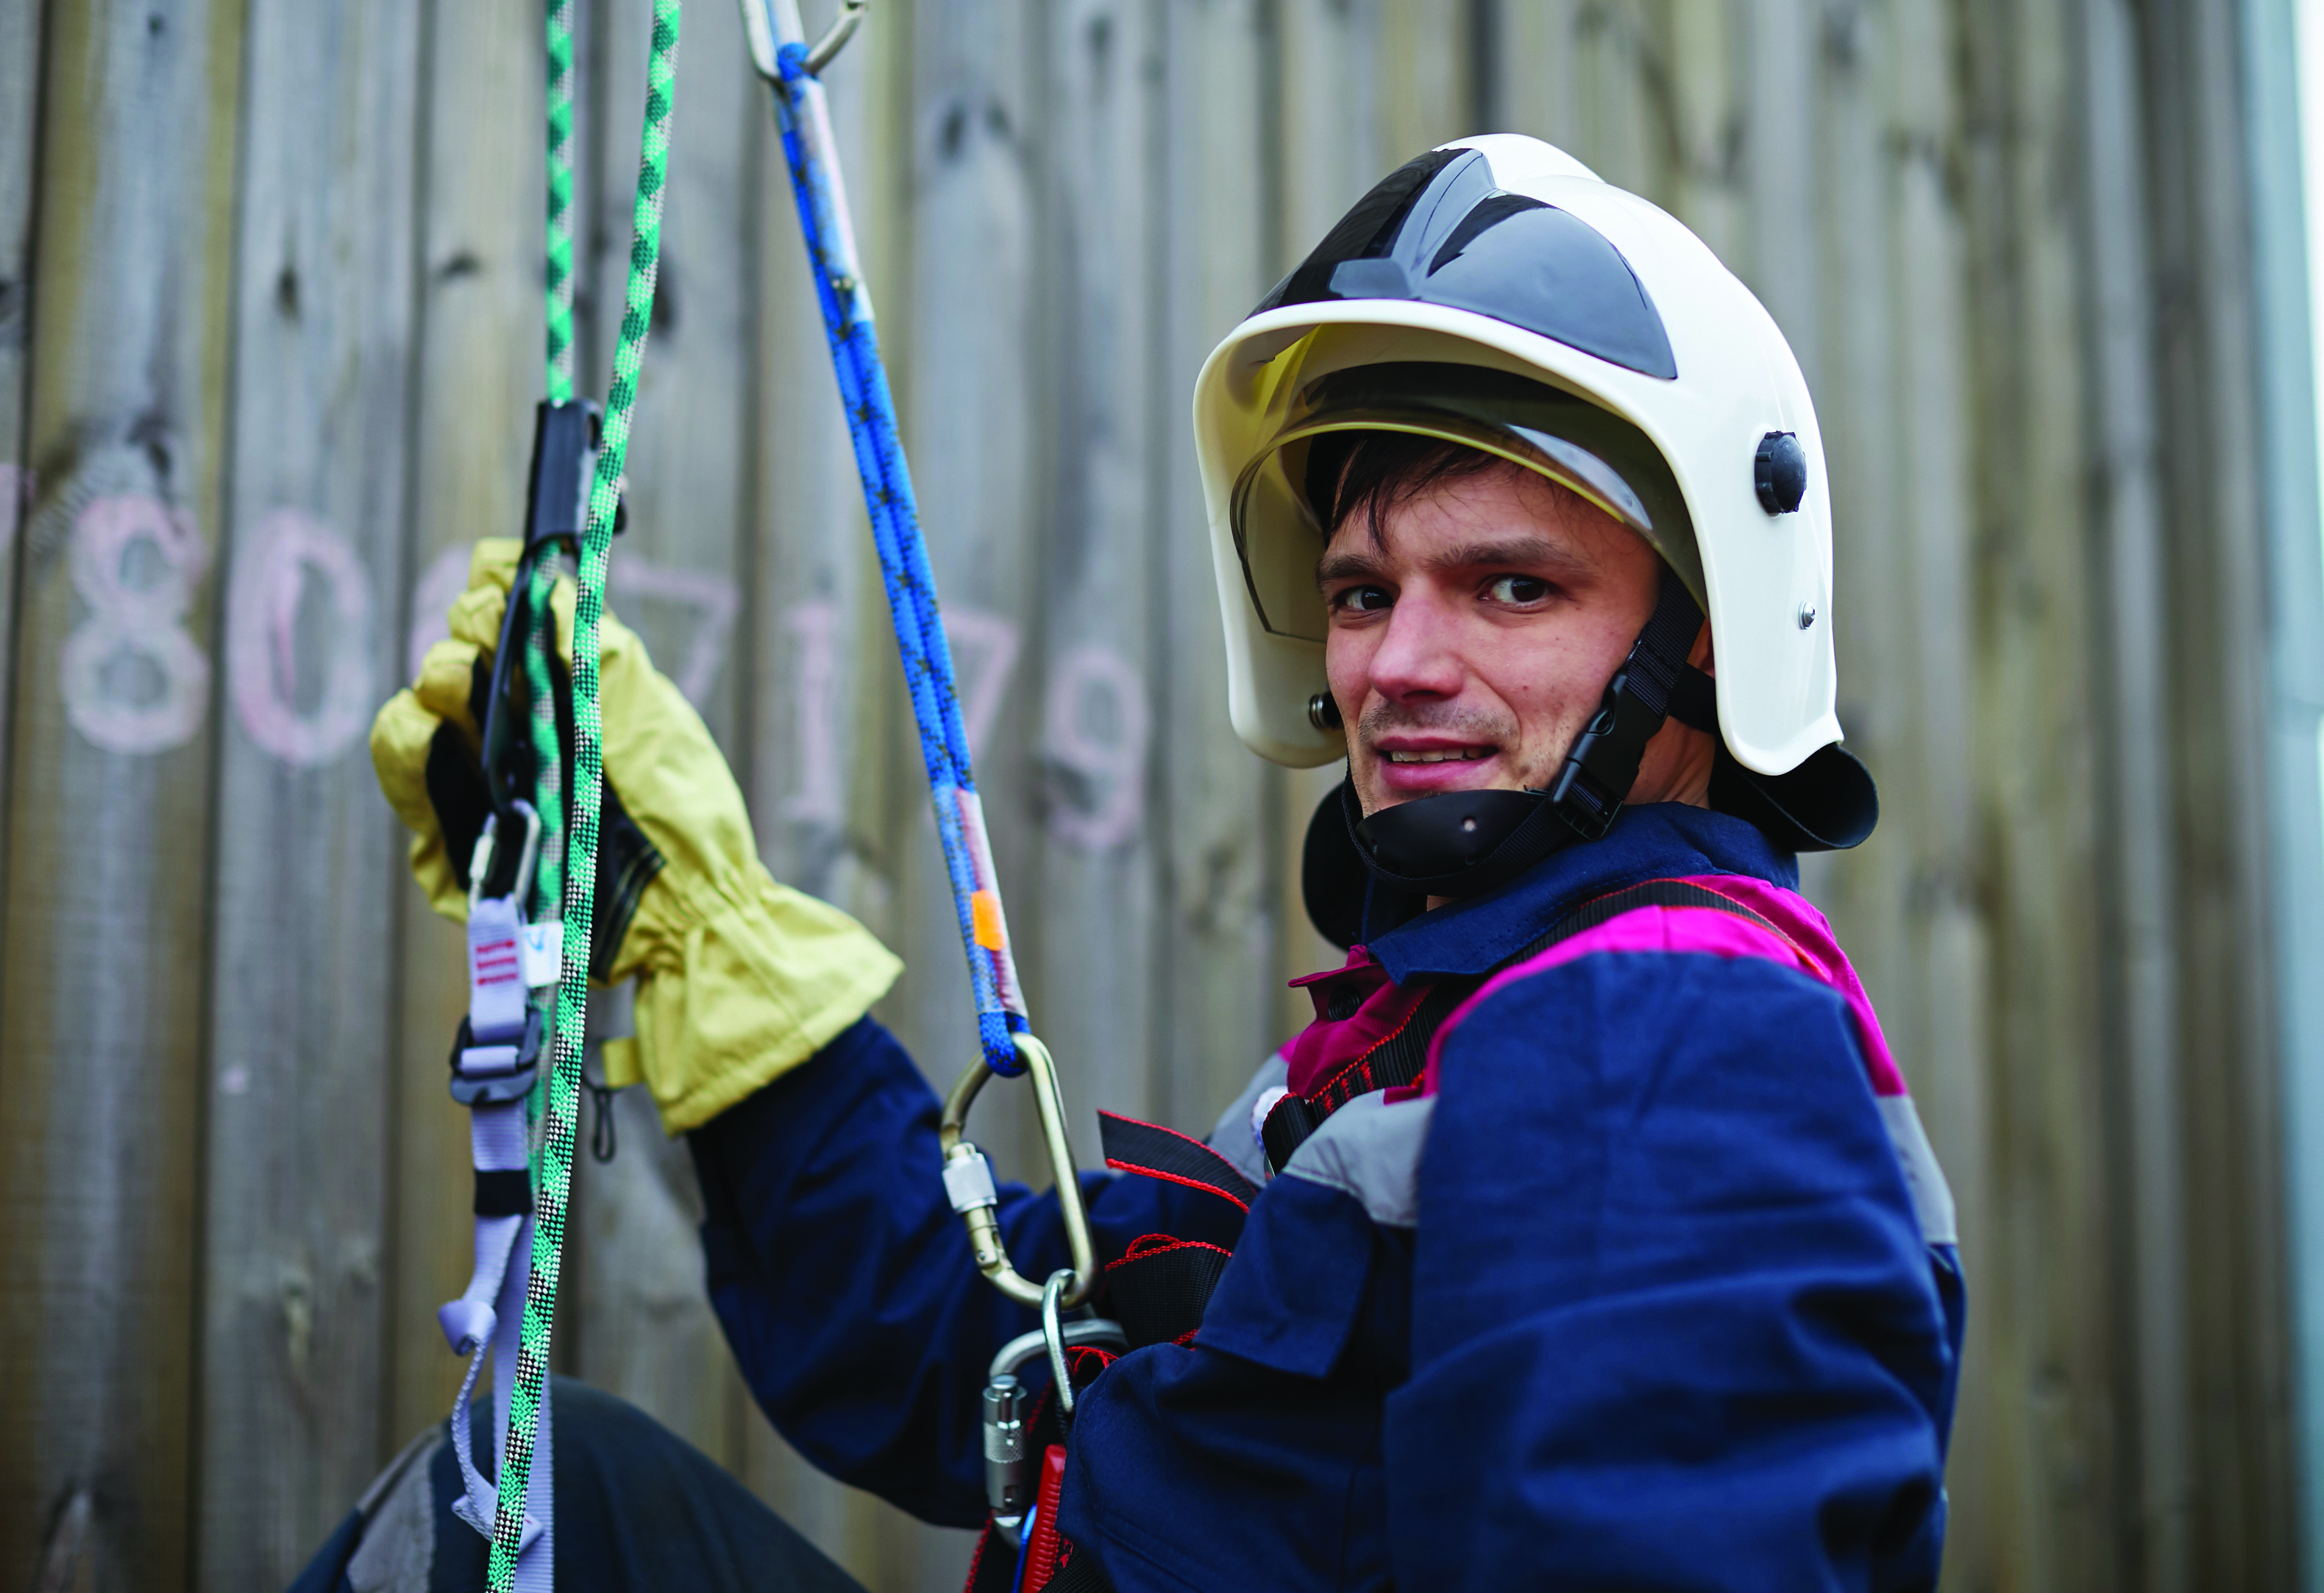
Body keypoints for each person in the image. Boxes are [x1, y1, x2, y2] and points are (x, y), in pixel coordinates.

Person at [308, 133, 1962, 1592]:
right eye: (1369, 588)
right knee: (554, 1483)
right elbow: (979, 1350)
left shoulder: (1660, 1025)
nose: (1394, 662)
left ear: (1708, 638)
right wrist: (704, 934)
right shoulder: (1421, 1054)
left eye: (1511, 587)